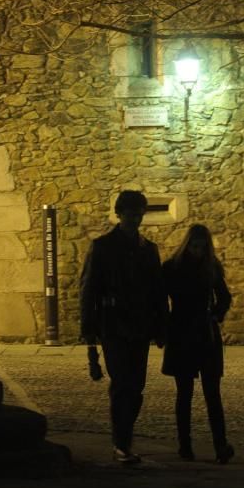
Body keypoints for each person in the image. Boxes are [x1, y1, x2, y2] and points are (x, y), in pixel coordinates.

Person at [80, 190, 167, 464]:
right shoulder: (103, 247)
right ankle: (122, 442)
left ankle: (125, 438)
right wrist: (89, 330)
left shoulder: (148, 249)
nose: (135, 219)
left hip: (140, 326)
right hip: (114, 325)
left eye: (139, 213)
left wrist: (161, 325)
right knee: (122, 383)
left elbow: (157, 291)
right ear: (120, 214)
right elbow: (89, 289)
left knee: (136, 385)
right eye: (131, 214)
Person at [162, 224, 234, 464]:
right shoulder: (172, 268)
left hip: (204, 333)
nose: (198, 251)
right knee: (184, 393)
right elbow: (160, 299)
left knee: (212, 393)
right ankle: (185, 445)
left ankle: (220, 445)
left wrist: (216, 314)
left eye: (202, 247)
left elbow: (224, 296)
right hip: (182, 332)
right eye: (195, 246)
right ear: (188, 244)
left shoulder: (210, 268)